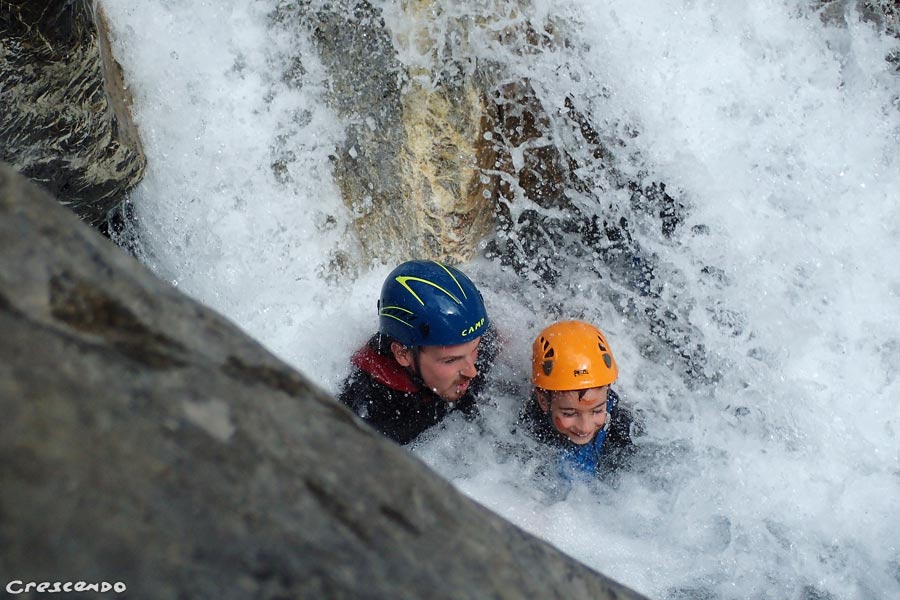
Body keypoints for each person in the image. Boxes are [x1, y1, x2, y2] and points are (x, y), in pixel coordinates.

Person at [339, 259, 498, 445]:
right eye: (451, 361)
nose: (472, 371)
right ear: (402, 354)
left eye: (475, 349)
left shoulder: (471, 338)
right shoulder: (369, 413)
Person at [518, 320, 636, 476]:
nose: (585, 427)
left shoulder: (621, 425)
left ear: (607, 395)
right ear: (543, 401)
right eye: (570, 413)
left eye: (597, 411)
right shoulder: (529, 430)